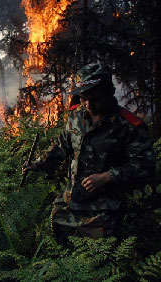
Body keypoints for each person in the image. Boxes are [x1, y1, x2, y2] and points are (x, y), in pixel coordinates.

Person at [22, 63, 156, 245]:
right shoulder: (76, 116)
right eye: (83, 98)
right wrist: (38, 164)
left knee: (99, 263)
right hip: (69, 204)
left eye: (95, 98)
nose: (88, 104)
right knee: (59, 253)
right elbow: (62, 145)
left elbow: (145, 167)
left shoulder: (128, 126)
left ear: (109, 92)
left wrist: (107, 177)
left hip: (103, 211)